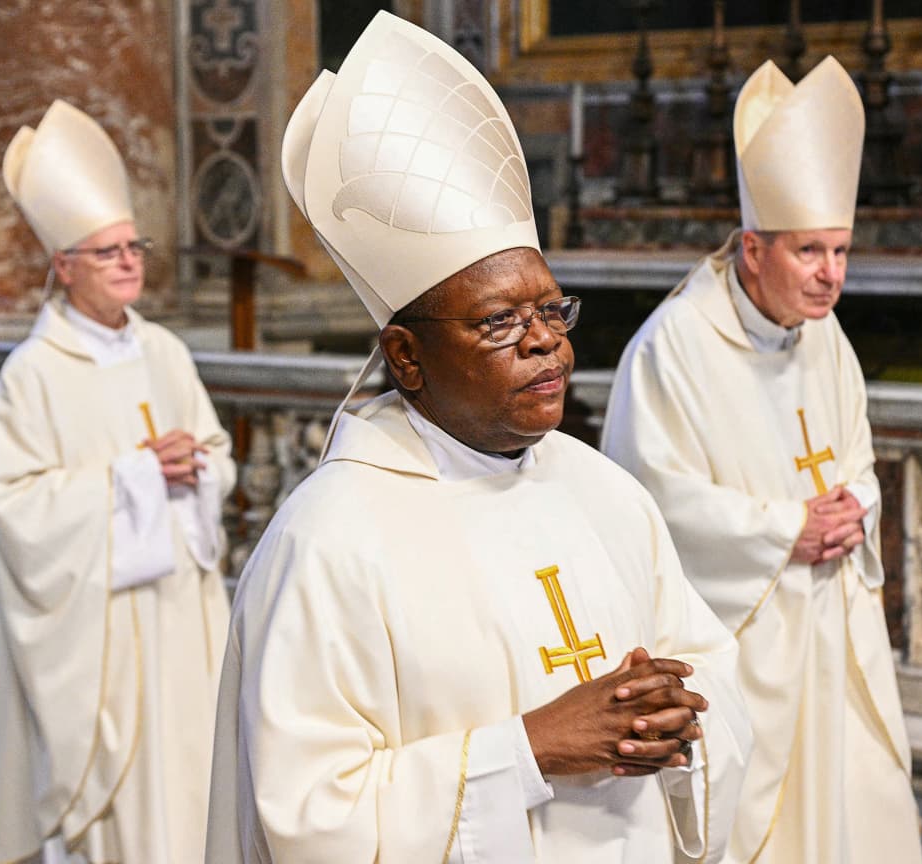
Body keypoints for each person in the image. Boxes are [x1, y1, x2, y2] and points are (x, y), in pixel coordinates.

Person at [204, 12, 750, 864]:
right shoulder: (331, 542)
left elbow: (708, 663)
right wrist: (527, 753)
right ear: (407, 357)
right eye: (499, 322)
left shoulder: (601, 491)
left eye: (549, 310)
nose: (546, 343)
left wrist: (683, 710)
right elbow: (309, 813)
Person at [602, 57, 922, 863]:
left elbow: (856, 457)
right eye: (810, 251)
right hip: (750, 637)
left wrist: (855, 505)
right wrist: (785, 530)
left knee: (860, 803)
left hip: (829, 621)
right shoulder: (673, 346)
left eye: (842, 252)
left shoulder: (825, 336)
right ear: (752, 249)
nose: (831, 277)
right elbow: (650, 500)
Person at [0, 100, 235, 864]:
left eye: (135, 247)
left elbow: (218, 455)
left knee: (198, 790)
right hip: (106, 638)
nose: (130, 261)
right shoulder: (31, 378)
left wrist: (198, 470)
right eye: (108, 251)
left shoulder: (165, 352)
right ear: (64, 268)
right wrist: (133, 477)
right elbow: (17, 509)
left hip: (182, 619)